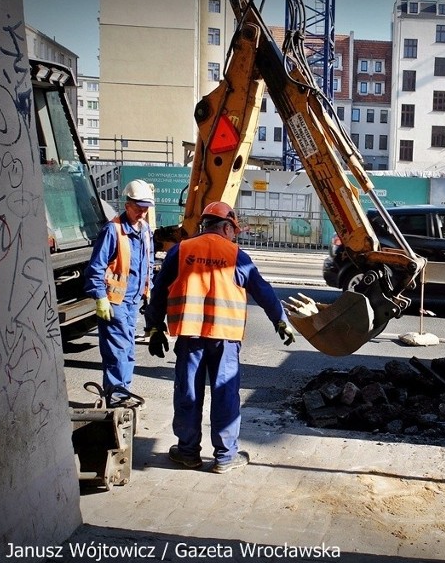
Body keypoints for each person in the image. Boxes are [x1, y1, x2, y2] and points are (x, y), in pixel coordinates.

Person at [145, 201, 296, 474]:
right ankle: (225, 457)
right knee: (225, 393)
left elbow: (160, 291)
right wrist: (280, 321)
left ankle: (188, 453)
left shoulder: (182, 250)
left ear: (204, 224)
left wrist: (154, 327)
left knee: (188, 392)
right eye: (233, 230)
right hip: (225, 338)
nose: (233, 235)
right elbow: (263, 291)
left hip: (190, 336)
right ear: (227, 227)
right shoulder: (236, 254)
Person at [84, 179, 155, 405]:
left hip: (132, 301)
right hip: (115, 301)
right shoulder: (113, 230)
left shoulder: (144, 230)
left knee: (128, 350)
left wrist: (148, 291)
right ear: (128, 205)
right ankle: (117, 398)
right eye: (139, 208)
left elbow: (148, 264)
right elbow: (96, 267)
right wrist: (101, 298)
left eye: (146, 208)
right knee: (118, 351)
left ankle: (121, 394)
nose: (142, 213)